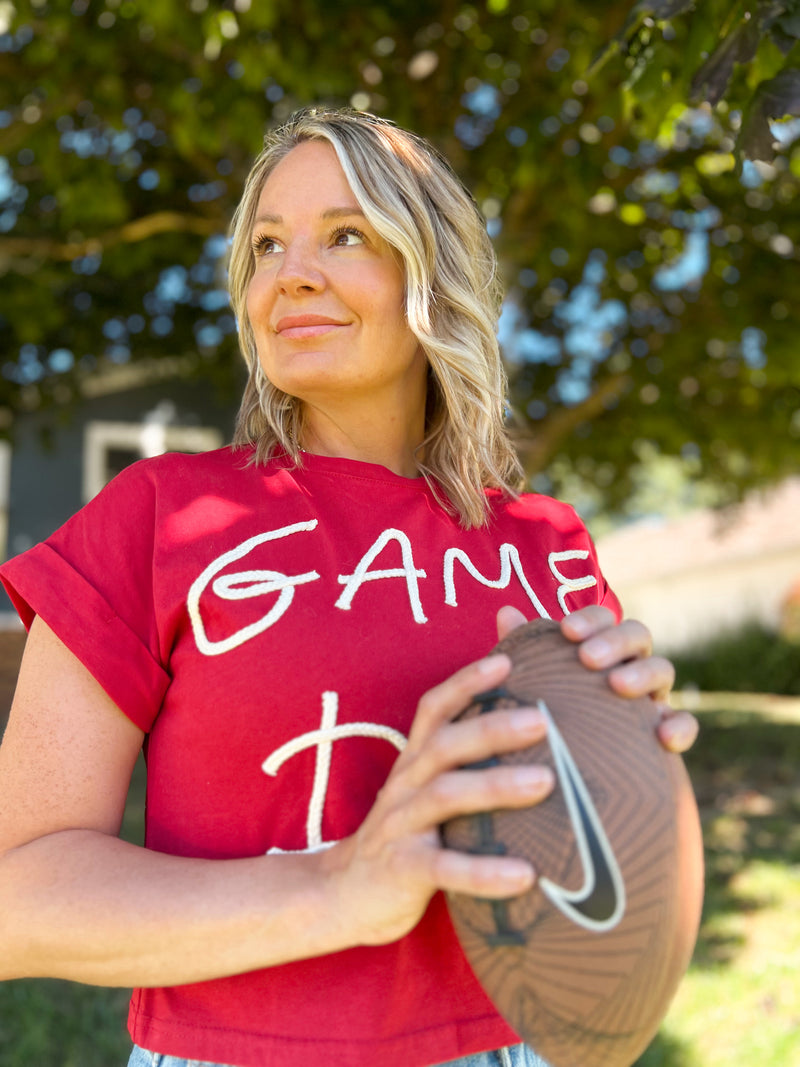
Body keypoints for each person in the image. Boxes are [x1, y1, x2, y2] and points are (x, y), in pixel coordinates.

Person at [0, 108, 695, 1067]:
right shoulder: (154, 517)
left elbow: (597, 899)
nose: (292, 273)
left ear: (432, 271)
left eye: (345, 235)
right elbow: (17, 898)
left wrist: (638, 767)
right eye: (267, 245)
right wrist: (337, 888)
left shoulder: (548, 543)